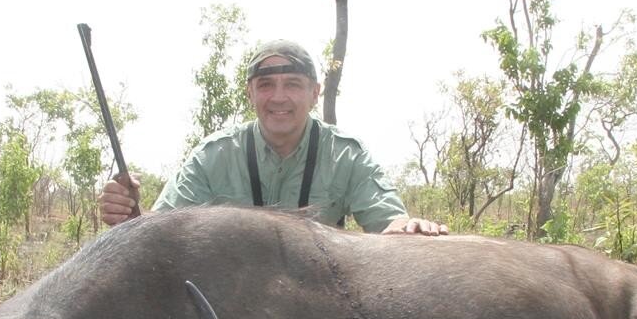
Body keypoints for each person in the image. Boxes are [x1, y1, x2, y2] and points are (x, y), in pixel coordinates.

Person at [99, 40, 445, 235]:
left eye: (293, 84)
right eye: (266, 85)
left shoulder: (346, 155)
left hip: (322, 307)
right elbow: (158, 234)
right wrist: (128, 216)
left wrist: (412, 229)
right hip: (231, 308)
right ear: (250, 93)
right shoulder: (213, 156)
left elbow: (390, 223)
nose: (279, 97)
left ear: (315, 93)